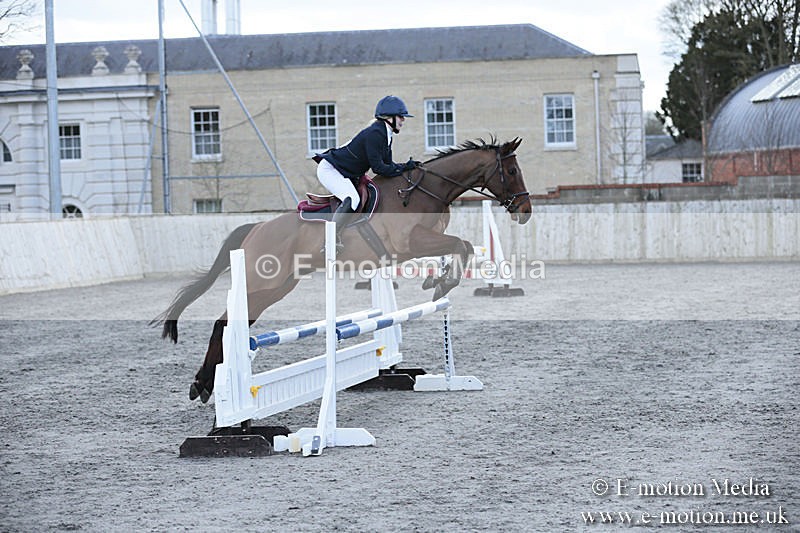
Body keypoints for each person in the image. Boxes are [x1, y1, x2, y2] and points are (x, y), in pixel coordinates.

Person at [315, 95, 418, 249]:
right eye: (400, 116)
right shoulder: (375, 133)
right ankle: (330, 241)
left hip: (346, 172)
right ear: (389, 117)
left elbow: (388, 165)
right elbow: (378, 169)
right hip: (331, 170)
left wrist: (406, 166)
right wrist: (403, 168)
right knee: (352, 199)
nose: (403, 120)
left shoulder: (386, 135)